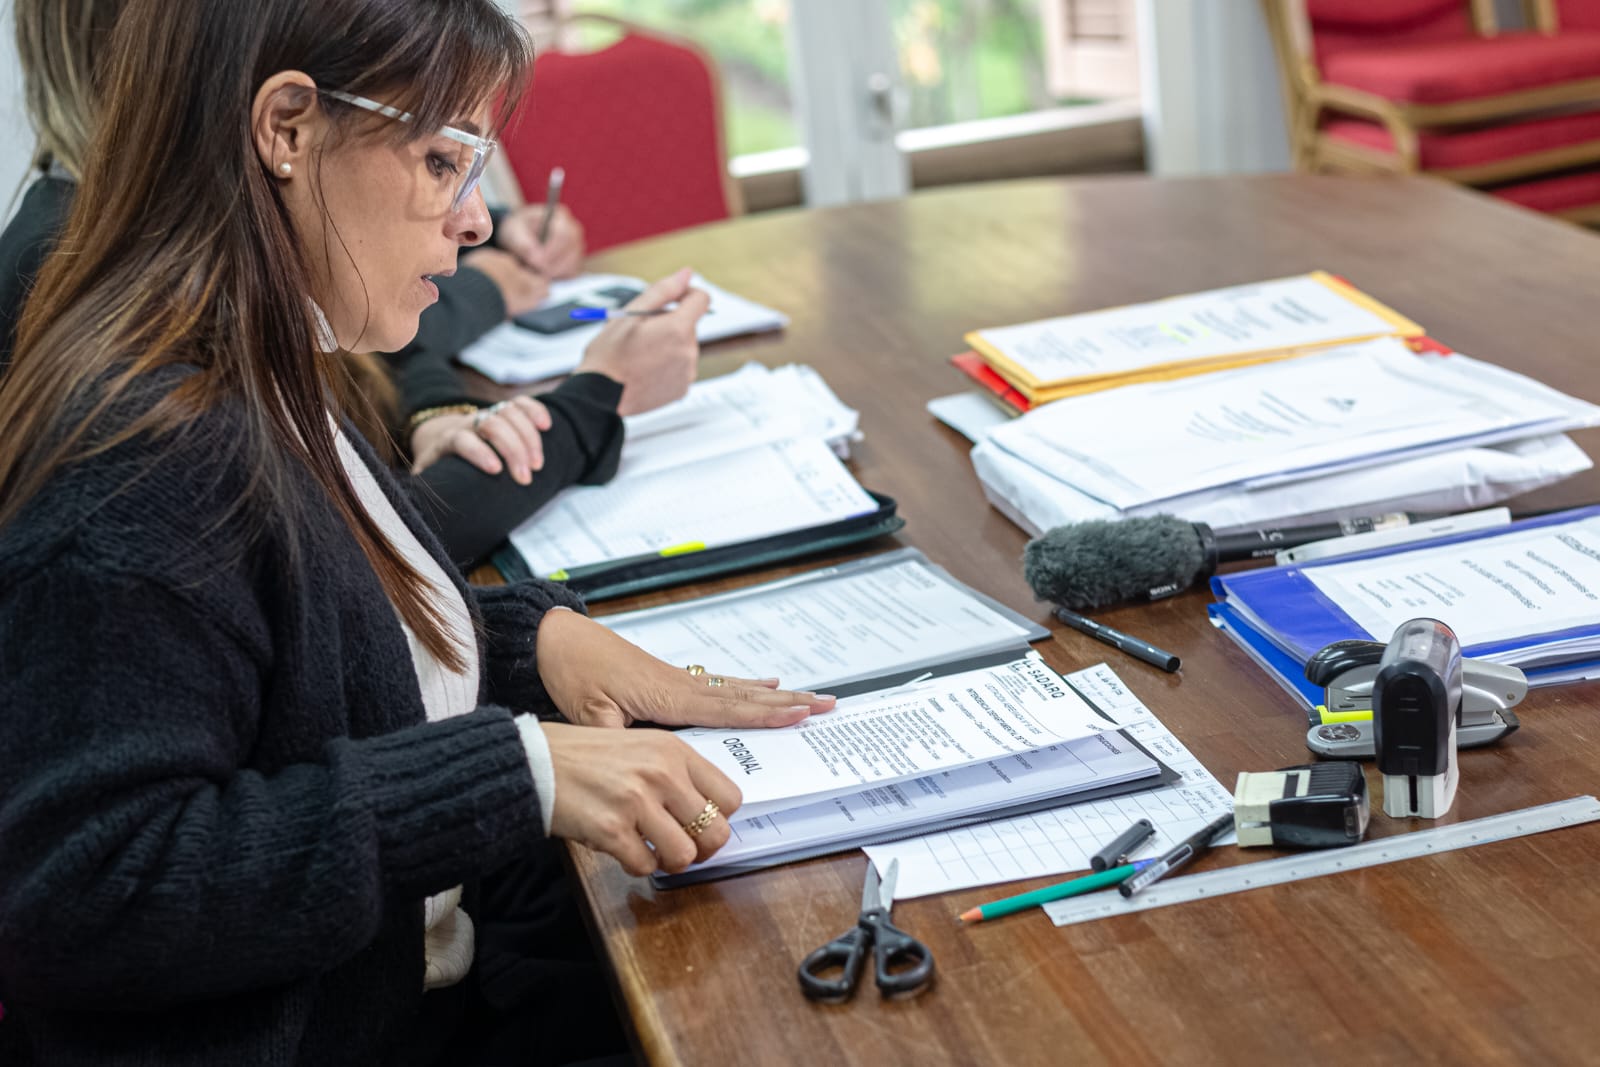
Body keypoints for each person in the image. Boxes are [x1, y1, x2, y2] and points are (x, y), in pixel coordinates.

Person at [0, 1, 834, 1064]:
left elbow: (297, 635)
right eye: (444, 161)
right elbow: (86, 890)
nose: (477, 218)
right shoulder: (142, 454)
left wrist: (522, 644)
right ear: (287, 129)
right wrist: (510, 775)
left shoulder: (280, 349)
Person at [0, 0, 702, 570]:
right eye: (438, 159)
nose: (476, 220)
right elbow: (357, 571)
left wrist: (434, 409)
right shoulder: (111, 317)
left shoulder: (222, 274)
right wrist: (593, 399)